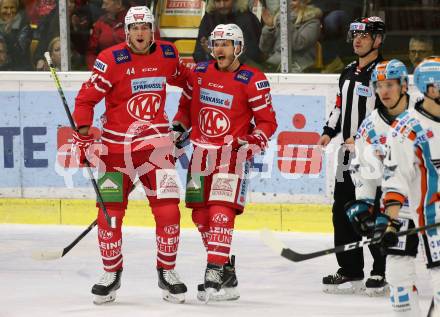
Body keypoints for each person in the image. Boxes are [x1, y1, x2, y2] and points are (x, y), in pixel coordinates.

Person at [72, 6, 191, 305]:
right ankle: (111, 273)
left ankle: (168, 271)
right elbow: (86, 98)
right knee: (109, 215)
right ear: (126, 31)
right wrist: (84, 134)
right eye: (134, 27)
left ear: (153, 30)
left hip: (157, 148)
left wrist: (183, 121)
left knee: (168, 211)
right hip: (115, 150)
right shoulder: (110, 59)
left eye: (145, 27)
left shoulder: (167, 54)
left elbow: (192, 84)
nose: (140, 33)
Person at [173, 23, 277, 302]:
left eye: (225, 44)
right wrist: (178, 128)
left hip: (231, 155)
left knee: (221, 210)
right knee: (200, 215)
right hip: (200, 155)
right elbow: (185, 106)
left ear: (238, 47)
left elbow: (268, 122)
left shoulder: (252, 79)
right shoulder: (200, 72)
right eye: (216, 44)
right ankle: (226, 269)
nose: (219, 49)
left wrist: (254, 140)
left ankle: (214, 268)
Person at [317, 16, 387, 294]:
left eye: (365, 35)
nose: (357, 40)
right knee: (341, 211)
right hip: (346, 156)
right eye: (355, 34)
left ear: (378, 40)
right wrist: (328, 130)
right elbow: (339, 106)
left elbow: (389, 115)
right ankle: (350, 269)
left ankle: (380, 270)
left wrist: (365, 140)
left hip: (372, 156)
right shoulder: (347, 71)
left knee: (372, 212)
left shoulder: (384, 73)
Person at [376, 56, 440, 316]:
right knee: (398, 275)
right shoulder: (407, 128)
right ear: (430, 88)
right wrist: (390, 223)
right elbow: (395, 179)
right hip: (432, 221)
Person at [347, 59, 415, 297]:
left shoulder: (424, 116)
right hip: (398, 206)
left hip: (429, 201)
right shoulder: (370, 127)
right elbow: (365, 170)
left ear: (404, 86)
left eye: (390, 85)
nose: (384, 91)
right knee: (400, 276)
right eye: (379, 85)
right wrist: (364, 204)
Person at [193, 0, 264, 68]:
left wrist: (215, 53)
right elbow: (198, 55)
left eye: (226, 0)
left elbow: (255, 55)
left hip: (242, 74)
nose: (222, 5)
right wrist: (208, 55)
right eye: (217, 1)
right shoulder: (208, 18)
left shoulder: (248, 19)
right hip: (214, 73)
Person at [259, 0, 322, 73]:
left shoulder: (313, 22)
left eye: (294, 0)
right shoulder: (279, 18)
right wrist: (270, 27)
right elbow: (264, 48)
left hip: (299, 66)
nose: (290, 3)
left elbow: (298, 45)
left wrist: (286, 22)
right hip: (274, 64)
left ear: (304, 1)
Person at [86, 0, 129, 70]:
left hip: (129, 71)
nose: (103, 7)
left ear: (118, 4)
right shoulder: (101, 23)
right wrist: (96, 69)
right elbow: (91, 52)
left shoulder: (133, 22)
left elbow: (140, 48)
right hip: (104, 71)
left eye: (106, 4)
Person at [0, 0, 32, 70]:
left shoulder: (24, 25)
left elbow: (20, 55)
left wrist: (9, 35)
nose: (9, 11)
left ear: (17, 9)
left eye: (12, 8)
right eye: (5, 8)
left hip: (17, 69)